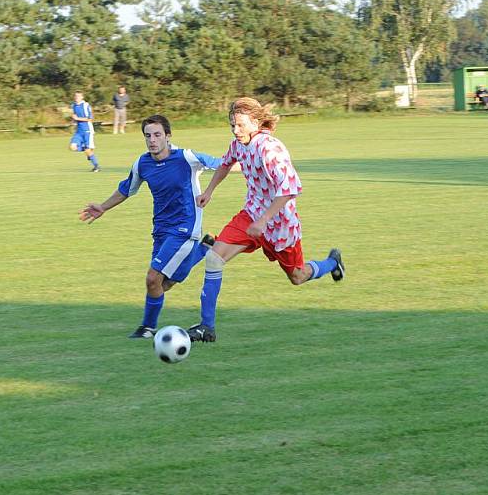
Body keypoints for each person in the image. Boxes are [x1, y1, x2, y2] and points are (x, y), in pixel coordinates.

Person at [187, 97, 344, 343]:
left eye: (240, 125)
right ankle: (207, 328)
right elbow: (226, 164)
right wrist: (209, 191)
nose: (235, 131)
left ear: (256, 122)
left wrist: (265, 220)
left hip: (280, 224)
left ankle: (332, 263)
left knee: (298, 277)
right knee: (214, 258)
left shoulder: (270, 148)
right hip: (251, 215)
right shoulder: (238, 144)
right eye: (232, 125)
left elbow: (291, 188)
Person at [79, 114, 222, 339]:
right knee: (163, 284)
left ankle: (147, 328)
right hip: (161, 230)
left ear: (167, 136)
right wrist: (103, 207)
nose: (152, 140)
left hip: (185, 228)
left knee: (152, 279)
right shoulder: (142, 163)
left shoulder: (186, 157)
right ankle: (203, 250)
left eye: (157, 135)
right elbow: (127, 188)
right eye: (148, 136)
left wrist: (251, 168)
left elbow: (222, 164)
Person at [69, 91, 101, 172]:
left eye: (78, 96)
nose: (76, 97)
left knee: (88, 150)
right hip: (78, 131)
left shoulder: (86, 105)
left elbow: (90, 118)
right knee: (72, 147)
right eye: (75, 96)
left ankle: (96, 166)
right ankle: (88, 150)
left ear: (82, 97)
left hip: (87, 130)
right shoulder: (73, 106)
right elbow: (75, 117)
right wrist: (73, 121)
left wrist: (77, 119)